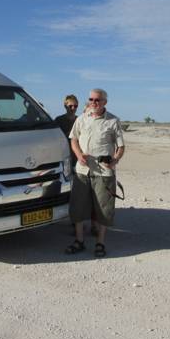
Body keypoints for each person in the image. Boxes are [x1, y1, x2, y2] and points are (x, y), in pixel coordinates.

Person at [65, 88, 125, 258]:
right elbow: (74, 139)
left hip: (103, 172)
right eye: (91, 99)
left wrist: (115, 160)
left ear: (105, 102)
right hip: (82, 170)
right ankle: (79, 241)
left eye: (98, 100)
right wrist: (78, 155)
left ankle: (100, 243)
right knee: (77, 206)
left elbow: (120, 147)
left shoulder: (113, 121)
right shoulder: (81, 119)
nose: (94, 103)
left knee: (103, 209)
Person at [54, 94, 79, 166]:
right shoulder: (59, 120)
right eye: (70, 106)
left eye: (75, 106)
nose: (73, 108)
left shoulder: (80, 120)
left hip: (76, 154)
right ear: (65, 106)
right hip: (63, 152)